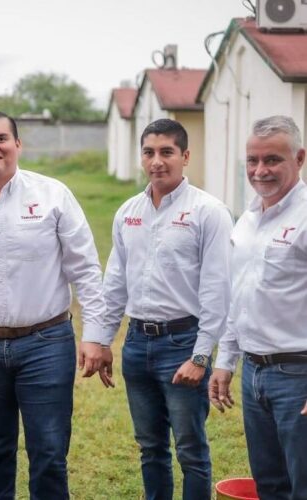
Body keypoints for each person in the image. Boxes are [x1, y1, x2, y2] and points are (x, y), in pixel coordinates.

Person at [0, 110, 106, 500]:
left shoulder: (53, 195)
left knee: (48, 452)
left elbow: (86, 269)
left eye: (0, 139)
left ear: (17, 144)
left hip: (46, 343)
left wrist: (95, 335)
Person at [97, 119, 233, 499]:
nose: (157, 161)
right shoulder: (128, 211)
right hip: (138, 344)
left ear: (185, 156)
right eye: (149, 152)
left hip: (183, 344)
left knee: (190, 450)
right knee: (150, 447)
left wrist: (201, 356)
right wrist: (102, 339)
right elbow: (116, 281)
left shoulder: (209, 212)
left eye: (167, 152)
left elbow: (218, 289)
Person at [209, 115, 307, 500]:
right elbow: (239, 296)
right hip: (255, 375)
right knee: (270, 485)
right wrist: (226, 360)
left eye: (272, 160)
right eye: (253, 160)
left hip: (298, 377)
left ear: (299, 158)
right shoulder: (247, 220)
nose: (260, 170)